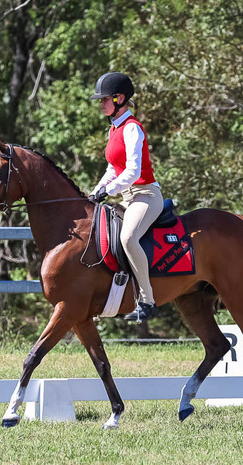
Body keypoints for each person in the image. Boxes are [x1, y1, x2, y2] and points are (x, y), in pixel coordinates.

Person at [88, 72, 163, 323]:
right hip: (126, 197)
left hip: (145, 195)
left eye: (104, 99)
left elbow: (133, 171)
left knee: (128, 237)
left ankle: (147, 300)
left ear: (119, 99)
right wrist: (95, 190)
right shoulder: (114, 129)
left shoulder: (132, 129)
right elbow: (113, 169)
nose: (101, 104)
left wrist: (108, 191)